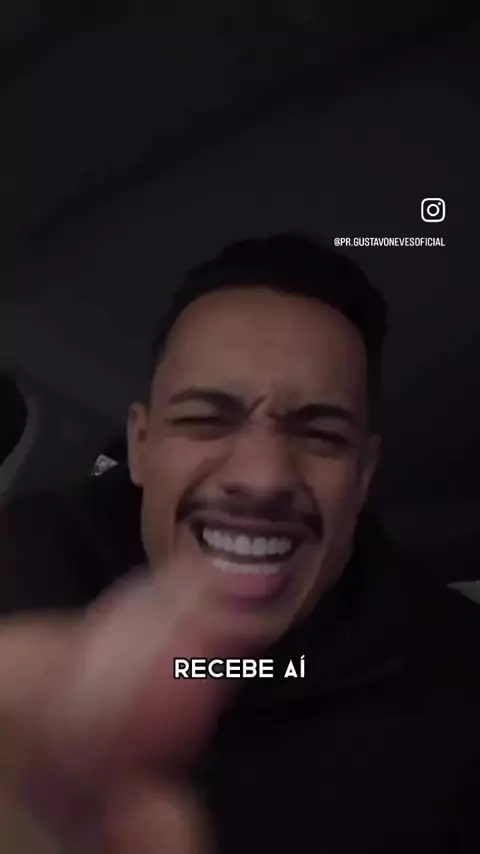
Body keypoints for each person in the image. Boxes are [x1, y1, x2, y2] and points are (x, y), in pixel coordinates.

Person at [0, 233, 478, 853]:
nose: (264, 479)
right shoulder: (16, 567)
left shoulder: (461, 680)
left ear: (363, 476)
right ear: (140, 446)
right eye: (205, 420)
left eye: (322, 436)